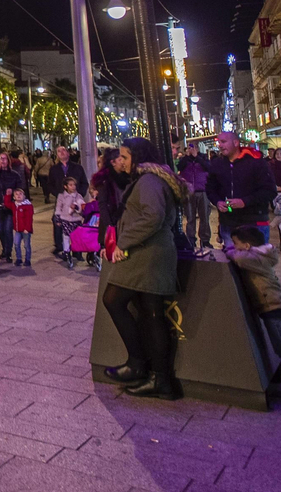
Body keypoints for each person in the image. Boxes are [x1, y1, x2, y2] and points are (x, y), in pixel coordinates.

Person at [100, 137, 186, 400]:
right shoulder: (148, 179)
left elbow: (152, 216)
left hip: (148, 255)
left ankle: (141, 366)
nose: (120, 161)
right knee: (150, 313)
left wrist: (122, 243)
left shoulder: (149, 181)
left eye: (125, 156)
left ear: (138, 157)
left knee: (117, 301)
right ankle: (157, 378)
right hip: (148, 253)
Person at [226, 225, 281, 399]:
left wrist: (229, 250)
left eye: (236, 243)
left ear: (248, 245)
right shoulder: (260, 255)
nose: (234, 246)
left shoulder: (256, 259)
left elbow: (239, 258)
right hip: (273, 306)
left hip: (275, 308)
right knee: (279, 346)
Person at [204, 130, 277, 247]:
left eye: (223, 141)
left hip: (254, 222)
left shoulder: (255, 162)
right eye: (219, 142)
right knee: (233, 260)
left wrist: (245, 202)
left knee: (256, 261)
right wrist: (217, 201)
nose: (220, 145)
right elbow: (211, 188)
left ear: (235, 142)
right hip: (229, 222)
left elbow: (269, 191)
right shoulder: (217, 164)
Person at [0, 152, 25, 262]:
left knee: (8, 229)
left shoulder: (14, 174)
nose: (2, 160)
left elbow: (20, 188)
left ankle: (8, 252)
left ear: (8, 161)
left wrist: (13, 194)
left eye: (4, 158)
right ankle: (5, 249)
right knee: (0, 229)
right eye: (0, 158)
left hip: (10, 206)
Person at [176, 142, 212, 253]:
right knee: (190, 218)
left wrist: (197, 157)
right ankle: (191, 238)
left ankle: (205, 239)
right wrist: (186, 156)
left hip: (202, 191)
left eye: (193, 148)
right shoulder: (184, 160)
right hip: (189, 192)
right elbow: (179, 167)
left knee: (204, 217)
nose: (191, 150)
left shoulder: (203, 158)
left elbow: (208, 168)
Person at [53, 176, 85, 268]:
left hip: (76, 220)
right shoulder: (61, 196)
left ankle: (78, 253)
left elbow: (82, 207)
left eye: (74, 185)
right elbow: (58, 208)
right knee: (66, 237)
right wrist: (58, 219)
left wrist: (77, 208)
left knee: (77, 237)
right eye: (70, 185)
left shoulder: (78, 196)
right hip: (65, 219)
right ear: (65, 186)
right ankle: (66, 252)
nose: (73, 187)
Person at [10, 187, 35, 267]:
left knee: (26, 245)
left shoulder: (27, 206)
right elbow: (7, 204)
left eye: (20, 194)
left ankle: (27, 260)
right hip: (18, 229)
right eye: (16, 194)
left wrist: (27, 228)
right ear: (14, 197)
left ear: (24, 196)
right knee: (16, 244)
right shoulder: (15, 205)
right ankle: (19, 259)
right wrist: (8, 195)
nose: (18, 196)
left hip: (25, 230)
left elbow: (29, 219)